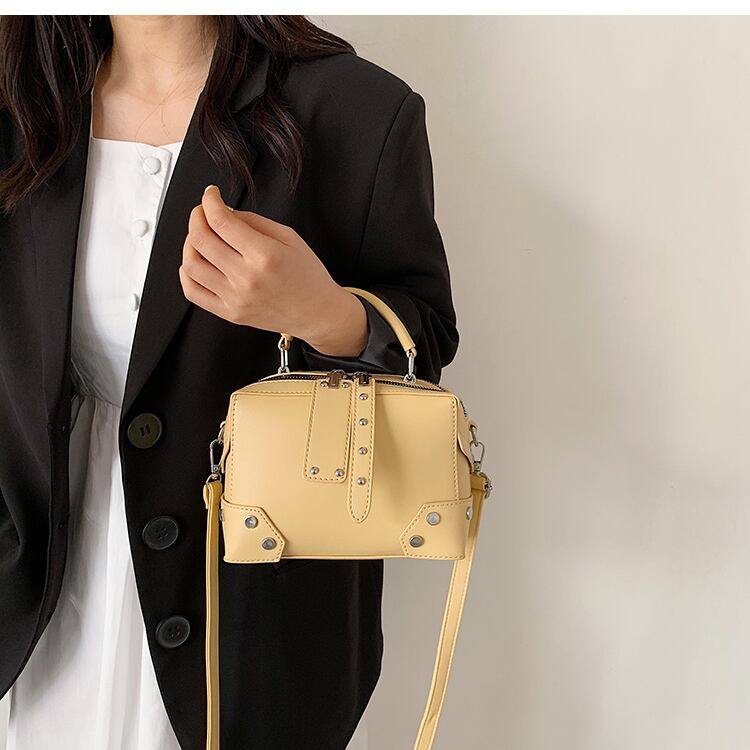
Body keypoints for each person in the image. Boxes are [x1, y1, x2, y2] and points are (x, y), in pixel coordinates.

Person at [0, 15, 459, 750]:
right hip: (42, 592)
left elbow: (423, 342)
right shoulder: (22, 103)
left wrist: (324, 314)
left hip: (249, 599)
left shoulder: (355, 109)